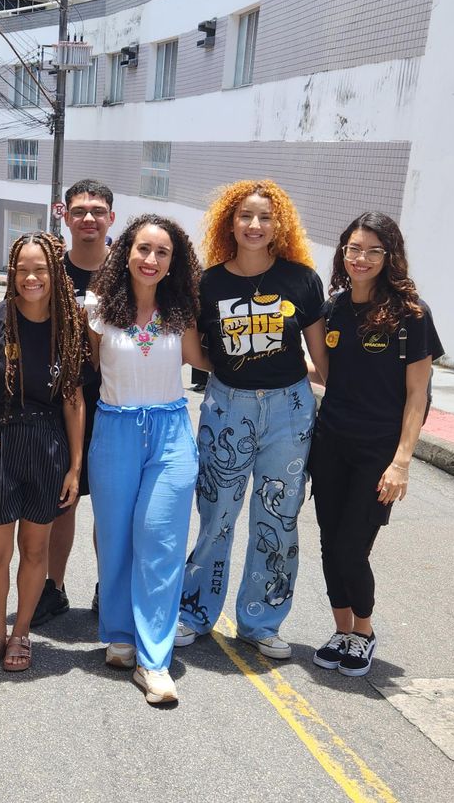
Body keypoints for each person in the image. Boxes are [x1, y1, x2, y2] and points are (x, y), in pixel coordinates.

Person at [176, 180, 327, 659]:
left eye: (264, 217)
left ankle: (261, 621)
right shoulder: (208, 283)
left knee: (278, 518)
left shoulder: (301, 279)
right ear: (229, 222)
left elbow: (321, 359)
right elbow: (193, 351)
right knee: (215, 513)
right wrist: (228, 370)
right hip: (227, 406)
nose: (255, 225)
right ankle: (196, 611)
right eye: (245, 216)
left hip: (289, 410)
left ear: (279, 223)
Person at [308, 212, 442, 677]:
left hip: (378, 451)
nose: (361, 258)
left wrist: (401, 462)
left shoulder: (412, 315)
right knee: (329, 543)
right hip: (331, 443)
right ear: (342, 253)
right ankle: (341, 630)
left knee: (351, 547)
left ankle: (363, 631)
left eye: (372, 250)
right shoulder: (334, 308)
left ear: (390, 256)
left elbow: (417, 395)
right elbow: (329, 375)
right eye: (353, 249)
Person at [85, 215, 208, 704]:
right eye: (143, 249)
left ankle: (153, 661)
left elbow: (205, 361)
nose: (151, 260)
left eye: (162, 252)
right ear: (126, 252)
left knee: (159, 539)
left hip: (171, 431)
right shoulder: (96, 309)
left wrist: (286, 361)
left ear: (173, 261)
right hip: (113, 427)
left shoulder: (183, 310)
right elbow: (86, 368)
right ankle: (118, 634)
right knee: (115, 538)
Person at [0, 232, 87, 673]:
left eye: (41, 269)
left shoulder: (70, 327)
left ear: (55, 273)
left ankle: (22, 631)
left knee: (34, 551)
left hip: (47, 446)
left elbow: (73, 400)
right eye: (22, 269)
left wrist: (74, 466)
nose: (31, 277)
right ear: (11, 273)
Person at [34, 179, 115, 626]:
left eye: (97, 211)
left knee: (109, 501)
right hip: (58, 400)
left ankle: (108, 587)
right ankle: (55, 587)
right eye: (79, 210)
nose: (88, 218)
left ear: (110, 218)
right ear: (63, 214)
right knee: (62, 501)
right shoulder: (48, 270)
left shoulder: (125, 271)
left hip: (115, 401)